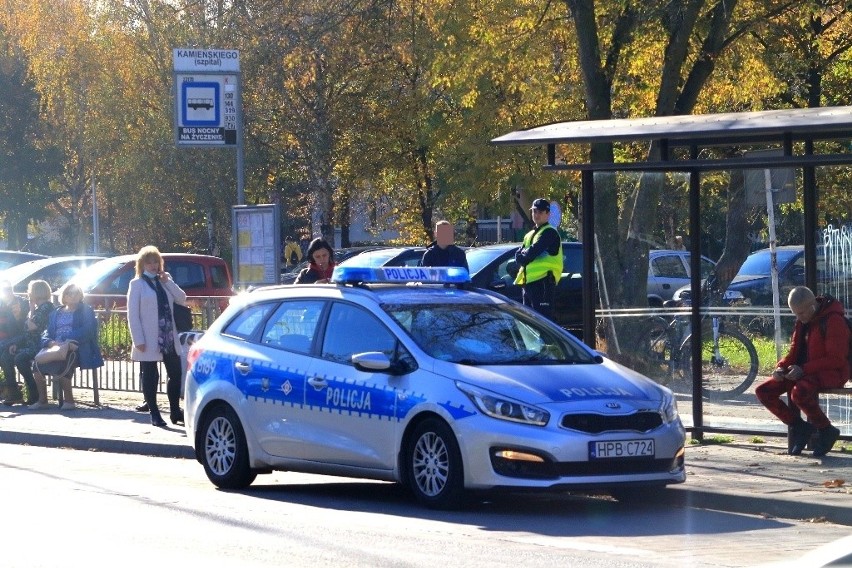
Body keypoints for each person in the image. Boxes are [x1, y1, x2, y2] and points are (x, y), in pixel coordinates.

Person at [755, 286, 849, 457]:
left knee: (800, 392)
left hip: (834, 372)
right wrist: (781, 368)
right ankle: (800, 427)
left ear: (812, 307)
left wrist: (803, 370)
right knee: (763, 391)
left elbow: (837, 359)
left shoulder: (833, 320)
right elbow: (794, 352)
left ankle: (826, 429)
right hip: (806, 371)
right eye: (795, 314)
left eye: (801, 313)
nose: (798, 318)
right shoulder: (803, 321)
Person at [127, 246, 188, 427]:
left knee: (175, 373)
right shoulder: (136, 284)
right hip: (148, 337)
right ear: (142, 264)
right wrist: (138, 339)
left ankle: (175, 411)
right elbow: (132, 314)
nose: (153, 265)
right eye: (149, 262)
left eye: (156, 262)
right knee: (150, 375)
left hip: (168, 335)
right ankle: (154, 413)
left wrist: (167, 281)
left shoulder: (164, 280)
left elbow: (181, 298)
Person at [29, 282, 103, 410]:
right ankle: (43, 401)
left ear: (80, 295)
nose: (73, 296)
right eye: (69, 293)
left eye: (76, 293)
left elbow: (88, 330)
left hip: (76, 346)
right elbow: (47, 331)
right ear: (64, 296)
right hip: (55, 346)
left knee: (65, 362)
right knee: (36, 366)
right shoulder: (56, 312)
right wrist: (48, 342)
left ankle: (69, 401)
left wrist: (66, 339)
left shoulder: (86, 310)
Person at [0, 280, 54, 406]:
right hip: (29, 343)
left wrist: (30, 311)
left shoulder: (46, 307)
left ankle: (34, 393)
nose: (28, 294)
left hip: (39, 345)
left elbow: (31, 326)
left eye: (30, 291)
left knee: (19, 358)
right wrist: (16, 345)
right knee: (6, 356)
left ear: (36, 292)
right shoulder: (38, 308)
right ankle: (15, 394)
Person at [513, 198, 563, 319]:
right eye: (534, 211)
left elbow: (531, 252)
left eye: (540, 212)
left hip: (543, 284)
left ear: (548, 214)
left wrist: (524, 255)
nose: (536, 214)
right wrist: (524, 255)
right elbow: (518, 256)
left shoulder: (550, 232)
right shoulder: (529, 235)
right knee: (530, 325)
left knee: (542, 323)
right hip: (528, 284)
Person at [0, 279, 28, 402]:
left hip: (18, 339)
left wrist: (17, 315)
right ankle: (9, 391)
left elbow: (23, 328)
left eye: (8, 288)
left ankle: (13, 393)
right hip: (4, 340)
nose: (6, 292)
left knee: (5, 357)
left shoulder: (21, 303)